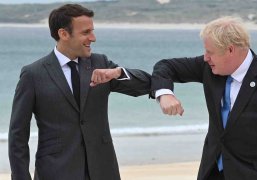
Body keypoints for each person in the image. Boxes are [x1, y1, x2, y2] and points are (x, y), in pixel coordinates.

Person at [8, 4, 150, 180]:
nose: (93, 38)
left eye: (92, 31)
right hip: (55, 172)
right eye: (86, 32)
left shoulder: (101, 63)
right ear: (63, 34)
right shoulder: (33, 74)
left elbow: (146, 85)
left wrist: (118, 72)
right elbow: (18, 135)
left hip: (103, 171)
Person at [151, 16, 257, 180]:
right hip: (214, 171)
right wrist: (165, 93)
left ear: (230, 50)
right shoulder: (208, 67)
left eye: (210, 52)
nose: (205, 57)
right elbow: (165, 66)